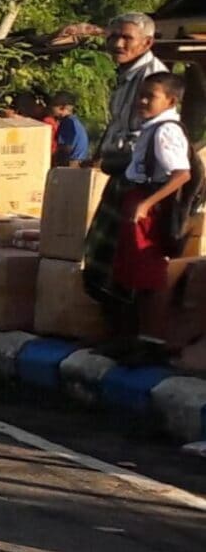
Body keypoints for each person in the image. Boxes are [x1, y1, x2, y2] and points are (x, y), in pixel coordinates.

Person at [84, 71, 195, 362]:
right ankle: (131, 339)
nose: (143, 101)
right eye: (141, 95)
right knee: (129, 273)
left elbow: (181, 174)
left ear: (170, 101)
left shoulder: (166, 130)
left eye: (151, 97)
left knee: (149, 278)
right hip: (135, 199)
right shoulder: (151, 127)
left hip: (147, 206)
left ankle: (152, 342)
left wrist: (147, 204)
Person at [98, 12, 168, 169]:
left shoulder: (153, 77)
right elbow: (117, 123)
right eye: (113, 36)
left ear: (147, 43)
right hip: (119, 166)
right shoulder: (126, 73)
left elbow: (155, 132)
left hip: (140, 170)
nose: (117, 44)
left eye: (127, 38)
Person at [50, 91, 92, 167]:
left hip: (72, 165)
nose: (50, 108)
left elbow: (65, 149)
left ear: (62, 107)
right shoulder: (74, 121)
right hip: (79, 163)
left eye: (53, 105)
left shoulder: (67, 123)